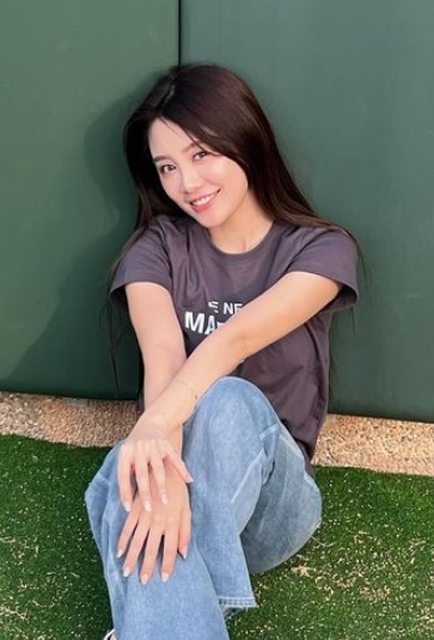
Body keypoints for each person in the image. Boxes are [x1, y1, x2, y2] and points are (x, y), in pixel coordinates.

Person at [84, 62, 363, 640]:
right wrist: (160, 467)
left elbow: (232, 340)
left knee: (226, 400)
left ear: (245, 139)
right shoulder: (155, 248)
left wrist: (153, 432)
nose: (187, 182)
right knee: (122, 472)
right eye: (167, 166)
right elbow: (163, 356)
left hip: (272, 508)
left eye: (202, 154)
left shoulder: (320, 250)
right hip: (179, 486)